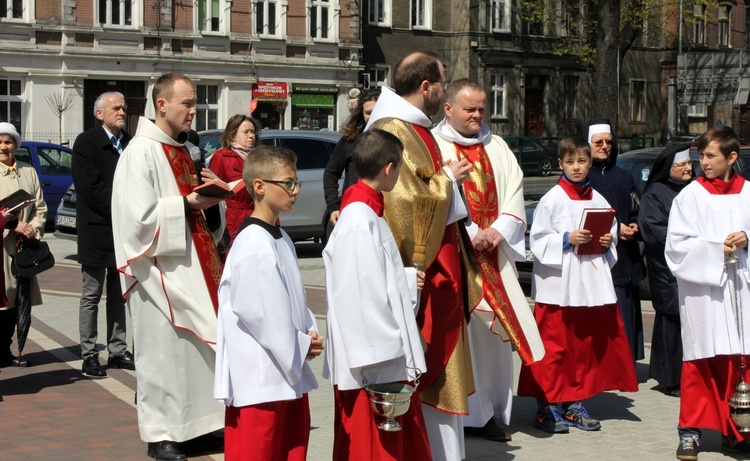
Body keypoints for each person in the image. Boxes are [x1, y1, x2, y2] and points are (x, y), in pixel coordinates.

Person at [365, 50, 475, 461]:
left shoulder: (416, 127)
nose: (446, 90)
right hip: (422, 269)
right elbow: (404, 201)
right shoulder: (392, 129)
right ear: (426, 86)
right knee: (430, 364)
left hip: (438, 264)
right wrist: (448, 178)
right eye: (443, 83)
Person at [111, 73, 226, 460]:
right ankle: (161, 434)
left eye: (194, 103)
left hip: (193, 266)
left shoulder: (183, 150)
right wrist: (186, 205)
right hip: (157, 273)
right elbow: (136, 220)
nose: (194, 111)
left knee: (196, 354)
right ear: (162, 105)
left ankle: (199, 427)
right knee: (163, 357)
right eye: (188, 104)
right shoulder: (140, 152)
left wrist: (214, 200)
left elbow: (199, 214)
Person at [433, 78, 545, 443]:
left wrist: (498, 230)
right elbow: (429, 197)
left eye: (482, 108)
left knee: (494, 343)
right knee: (460, 336)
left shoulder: (496, 146)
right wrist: (468, 233)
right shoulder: (434, 146)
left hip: (494, 258)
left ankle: (491, 412)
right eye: (470, 109)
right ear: (448, 108)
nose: (478, 115)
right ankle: (463, 414)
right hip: (454, 258)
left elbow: (515, 190)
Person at [322, 129, 431, 460]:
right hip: (372, 363)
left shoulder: (366, 212)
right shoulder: (358, 220)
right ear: (388, 168)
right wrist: (396, 345)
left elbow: (371, 276)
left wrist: (405, 278)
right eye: (399, 167)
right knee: (371, 448)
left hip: (377, 358)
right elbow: (360, 296)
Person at [517, 135, 638, 434]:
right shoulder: (551, 200)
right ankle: (546, 406)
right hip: (559, 287)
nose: (576, 168)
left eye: (582, 161)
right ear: (560, 163)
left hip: (589, 285)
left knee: (580, 348)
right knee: (554, 347)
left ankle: (572, 402)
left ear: (590, 163)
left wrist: (609, 241)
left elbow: (608, 231)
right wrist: (565, 239)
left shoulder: (599, 199)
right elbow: (538, 240)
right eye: (570, 162)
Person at [214, 145, 323, 460]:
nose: (295, 191)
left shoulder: (279, 236)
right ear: (259, 186)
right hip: (261, 381)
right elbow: (261, 314)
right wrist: (300, 345)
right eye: (287, 183)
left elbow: (293, 298)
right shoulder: (252, 244)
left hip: (285, 373)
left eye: (296, 183)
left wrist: (308, 333)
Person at [666, 126, 750, 460]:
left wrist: (746, 236)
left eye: (711, 156)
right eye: (701, 155)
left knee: (739, 361)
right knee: (700, 360)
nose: (704, 163)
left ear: (731, 157)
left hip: (741, 291)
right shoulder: (690, 196)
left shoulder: (748, 193)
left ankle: (737, 430)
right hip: (704, 295)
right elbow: (676, 248)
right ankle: (690, 433)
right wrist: (718, 247)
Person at [72, 91, 134, 377]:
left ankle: (118, 350)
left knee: (118, 294)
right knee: (91, 294)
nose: (122, 112)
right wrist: (123, 209)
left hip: (124, 232)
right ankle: (89, 354)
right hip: (97, 230)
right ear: (100, 114)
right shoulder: (86, 143)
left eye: (124, 107)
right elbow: (90, 188)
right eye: (116, 108)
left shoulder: (130, 143)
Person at [584, 120, 645, 362]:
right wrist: (615, 228)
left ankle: (627, 361)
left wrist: (634, 223)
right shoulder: (583, 176)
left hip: (627, 257)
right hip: (599, 258)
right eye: (599, 142)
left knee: (627, 309)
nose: (605, 147)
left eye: (609, 142)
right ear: (588, 145)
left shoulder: (623, 176)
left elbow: (635, 206)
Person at [637, 144, 693, 398]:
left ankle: (689, 375)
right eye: (681, 166)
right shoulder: (655, 193)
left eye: (690, 164)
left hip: (693, 266)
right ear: (668, 169)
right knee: (670, 319)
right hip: (667, 268)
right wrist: (688, 241)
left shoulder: (694, 190)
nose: (688, 169)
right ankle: (669, 378)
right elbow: (653, 230)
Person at [0, 122, 46, 368]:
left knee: (18, 300)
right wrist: (12, 226)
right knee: (2, 300)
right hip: (1, 249)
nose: (3, 146)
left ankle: (6, 351)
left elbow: (40, 207)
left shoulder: (28, 171)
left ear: (16, 145)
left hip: (22, 249)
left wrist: (32, 229)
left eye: (8, 141)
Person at [323, 88, 380, 225]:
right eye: (368, 113)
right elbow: (331, 173)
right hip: (354, 210)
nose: (372, 116)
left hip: (384, 212)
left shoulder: (394, 139)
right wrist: (333, 206)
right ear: (361, 113)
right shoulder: (351, 140)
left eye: (376, 112)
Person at [209, 115, 263, 241]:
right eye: (246, 132)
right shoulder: (221, 157)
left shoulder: (260, 157)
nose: (251, 136)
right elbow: (212, 191)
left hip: (259, 215)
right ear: (233, 135)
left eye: (253, 132)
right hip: (234, 219)